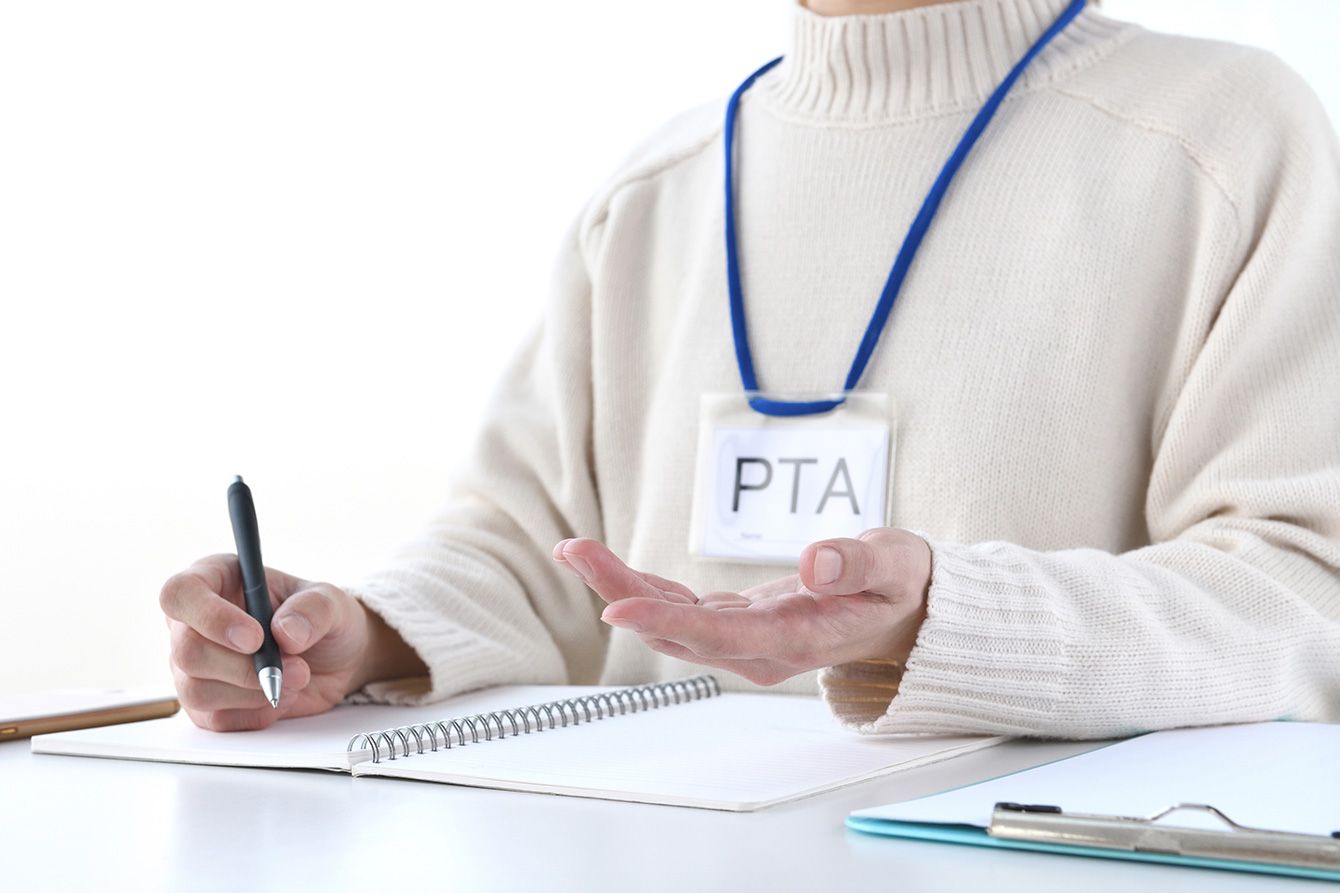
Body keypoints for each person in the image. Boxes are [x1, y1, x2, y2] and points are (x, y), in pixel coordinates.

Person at [160, 0, 1340, 738]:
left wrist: (939, 622)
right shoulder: (658, 186)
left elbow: (1304, 593)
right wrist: (361, 633)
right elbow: (526, 545)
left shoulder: (1221, 137)